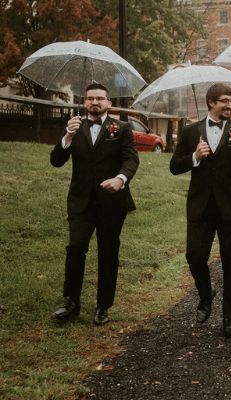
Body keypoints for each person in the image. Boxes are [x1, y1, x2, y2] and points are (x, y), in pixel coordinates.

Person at [169, 83, 231, 338]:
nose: (230, 105)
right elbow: (175, 167)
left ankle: (230, 317)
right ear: (210, 103)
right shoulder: (190, 132)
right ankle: (206, 293)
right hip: (200, 207)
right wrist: (195, 156)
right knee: (194, 256)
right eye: (225, 101)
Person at [50, 83, 139, 326]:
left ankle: (103, 306)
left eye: (100, 98)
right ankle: (71, 302)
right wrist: (67, 136)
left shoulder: (121, 128)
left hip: (112, 202)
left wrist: (120, 179)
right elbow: (56, 161)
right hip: (80, 202)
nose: (95, 102)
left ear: (109, 103)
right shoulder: (75, 127)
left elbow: (131, 160)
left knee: (108, 252)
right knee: (76, 248)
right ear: (84, 102)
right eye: (90, 98)